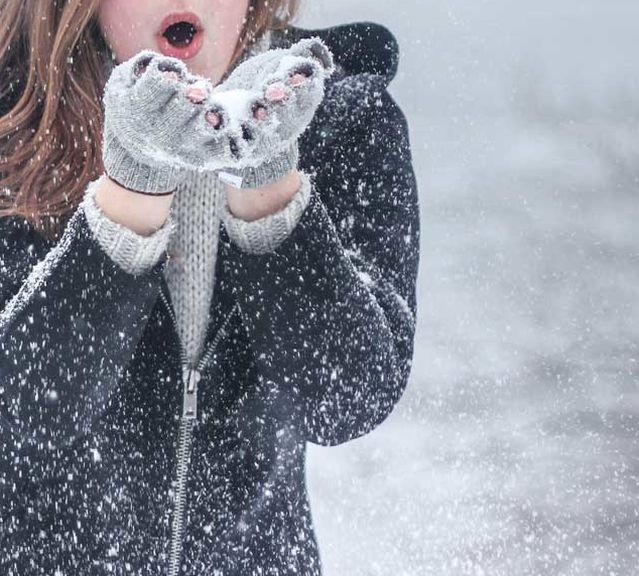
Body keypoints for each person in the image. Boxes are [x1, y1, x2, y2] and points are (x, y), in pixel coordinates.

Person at [0, 1, 420, 574]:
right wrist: (131, 195)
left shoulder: (344, 118)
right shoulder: (13, 125)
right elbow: (24, 411)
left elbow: (347, 399)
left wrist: (270, 191)